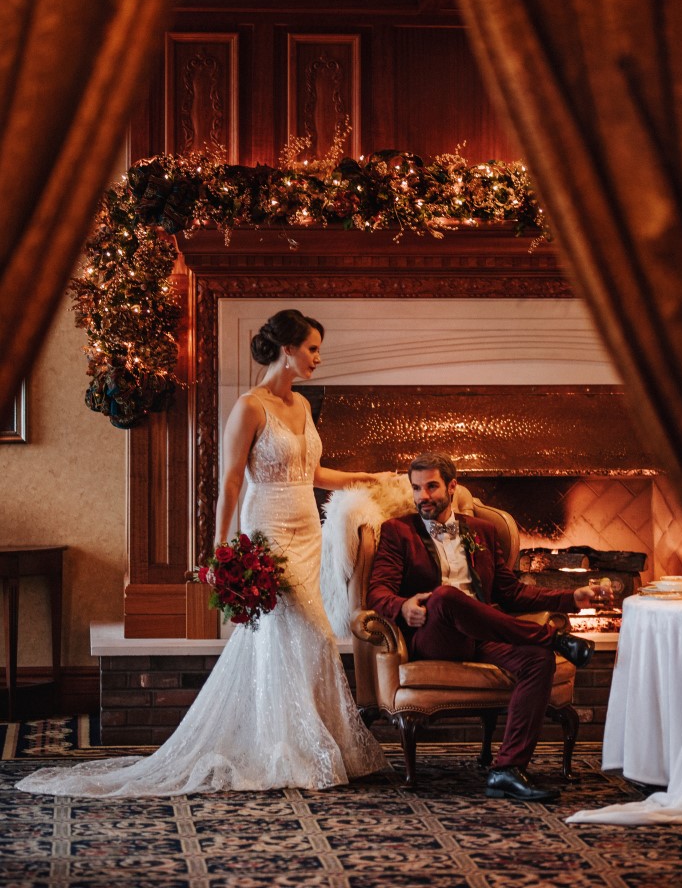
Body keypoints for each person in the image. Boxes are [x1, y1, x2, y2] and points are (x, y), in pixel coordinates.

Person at [16, 309, 387, 797]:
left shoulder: (301, 406)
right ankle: (293, 748)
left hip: (306, 531)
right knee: (312, 636)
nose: (318, 358)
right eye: (313, 348)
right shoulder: (250, 407)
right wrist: (221, 549)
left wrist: (368, 479)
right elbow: (230, 482)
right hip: (267, 532)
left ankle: (289, 741)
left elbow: (313, 473)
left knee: (285, 641)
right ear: (287, 349)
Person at [367, 452, 612, 804]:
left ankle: (507, 770)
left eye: (432, 486)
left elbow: (510, 593)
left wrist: (570, 597)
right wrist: (402, 606)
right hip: (436, 635)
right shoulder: (398, 531)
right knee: (446, 597)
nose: (423, 496)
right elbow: (377, 591)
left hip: (483, 634)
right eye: (417, 488)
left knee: (537, 660)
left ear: (452, 487)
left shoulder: (483, 530)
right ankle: (553, 638)